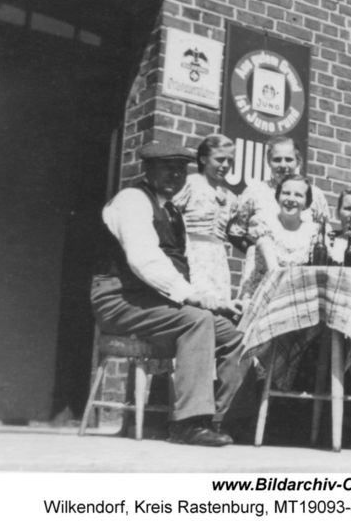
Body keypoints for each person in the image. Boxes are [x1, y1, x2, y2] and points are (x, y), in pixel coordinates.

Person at [90, 143, 249, 447]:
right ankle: (188, 424)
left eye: (180, 170)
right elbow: (144, 260)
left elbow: (182, 269)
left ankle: (220, 418)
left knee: (234, 335)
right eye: (166, 168)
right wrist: (192, 297)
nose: (174, 176)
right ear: (147, 170)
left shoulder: (173, 211)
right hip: (118, 299)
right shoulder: (132, 201)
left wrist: (217, 302)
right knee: (197, 320)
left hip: (154, 302)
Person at [228, 136, 330, 250]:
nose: (283, 165)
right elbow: (235, 233)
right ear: (268, 161)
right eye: (277, 160)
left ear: (298, 161)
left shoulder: (315, 195)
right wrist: (256, 252)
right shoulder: (254, 192)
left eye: (289, 159)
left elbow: (324, 234)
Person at [172, 134, 238, 303]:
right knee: (197, 302)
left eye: (230, 161)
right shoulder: (190, 183)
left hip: (217, 259)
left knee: (219, 304)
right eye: (220, 159)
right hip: (192, 253)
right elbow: (170, 218)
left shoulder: (230, 196)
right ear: (203, 159)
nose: (225, 165)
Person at [238, 174, 318, 304]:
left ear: (306, 203)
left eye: (298, 195)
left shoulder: (312, 231)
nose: (291, 199)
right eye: (286, 193)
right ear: (278, 197)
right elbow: (273, 269)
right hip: (261, 294)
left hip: (293, 297)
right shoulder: (264, 222)